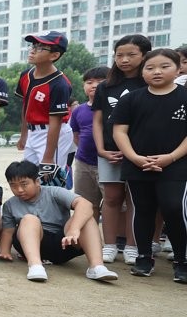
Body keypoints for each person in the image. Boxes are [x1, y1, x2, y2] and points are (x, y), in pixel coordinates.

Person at [111, 48, 187, 282]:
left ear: (177, 69)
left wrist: (171, 157)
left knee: (173, 207)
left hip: (175, 166)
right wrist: (134, 157)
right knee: (142, 210)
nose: (156, 72)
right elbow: (119, 131)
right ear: (143, 71)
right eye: (150, 67)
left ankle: (182, 261)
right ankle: (144, 258)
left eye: (164, 66)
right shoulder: (131, 99)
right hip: (138, 164)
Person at [0, 160, 119, 283]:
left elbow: (85, 204)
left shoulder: (54, 192)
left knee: (86, 218)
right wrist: (5, 251)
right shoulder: (10, 204)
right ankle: (35, 266)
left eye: (24, 184)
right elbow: (8, 231)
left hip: (64, 243)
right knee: (29, 219)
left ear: (37, 181)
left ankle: (97, 266)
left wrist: (74, 229)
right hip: (32, 244)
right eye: (13, 185)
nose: (19, 189)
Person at [92, 34, 151, 265]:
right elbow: (97, 121)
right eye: (119, 55)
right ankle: (108, 245)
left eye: (131, 55)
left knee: (136, 199)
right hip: (110, 152)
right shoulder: (106, 86)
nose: (124, 59)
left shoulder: (149, 84)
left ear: (144, 55)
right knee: (112, 197)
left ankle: (131, 245)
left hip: (140, 153)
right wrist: (101, 149)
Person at [15, 31, 74, 186]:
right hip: (33, 131)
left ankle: (56, 210)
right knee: (28, 177)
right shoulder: (25, 75)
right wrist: (23, 135)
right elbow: (25, 107)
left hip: (53, 133)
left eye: (40, 47)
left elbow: (55, 122)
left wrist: (48, 157)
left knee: (50, 180)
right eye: (33, 45)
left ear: (54, 55)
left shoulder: (60, 84)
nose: (33, 50)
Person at [69, 67, 106, 222]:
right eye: (89, 82)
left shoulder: (116, 107)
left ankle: (119, 239)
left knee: (115, 203)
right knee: (87, 204)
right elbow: (76, 136)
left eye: (100, 81)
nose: (94, 85)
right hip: (84, 163)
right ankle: (91, 238)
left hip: (109, 162)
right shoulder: (78, 111)